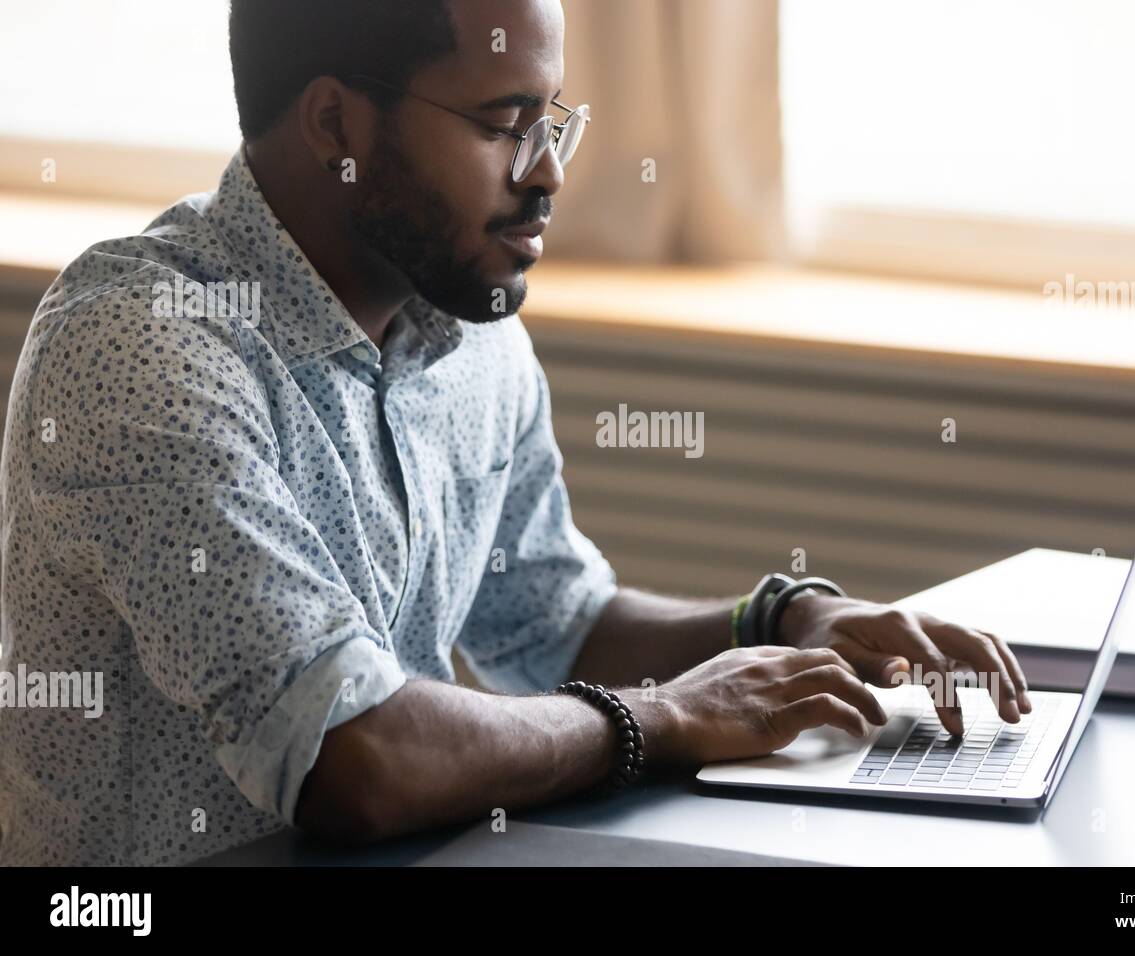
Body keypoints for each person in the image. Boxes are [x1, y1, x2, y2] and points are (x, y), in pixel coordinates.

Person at [0, 0, 1029, 866]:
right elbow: (353, 757)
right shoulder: (138, 348)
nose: (547, 176)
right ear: (334, 125)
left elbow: (552, 619)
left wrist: (778, 626)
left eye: (555, 121)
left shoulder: (463, 321)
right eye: (505, 123)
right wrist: (661, 719)